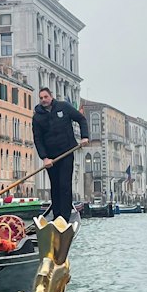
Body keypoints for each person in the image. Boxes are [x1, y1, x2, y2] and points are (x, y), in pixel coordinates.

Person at [32, 86, 89, 223]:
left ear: (51, 97)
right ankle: (57, 215)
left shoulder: (64, 107)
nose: (44, 100)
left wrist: (84, 137)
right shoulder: (37, 117)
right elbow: (37, 139)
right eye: (41, 98)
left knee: (64, 185)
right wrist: (44, 158)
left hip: (67, 152)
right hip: (51, 158)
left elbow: (81, 119)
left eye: (46, 97)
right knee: (55, 186)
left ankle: (65, 216)